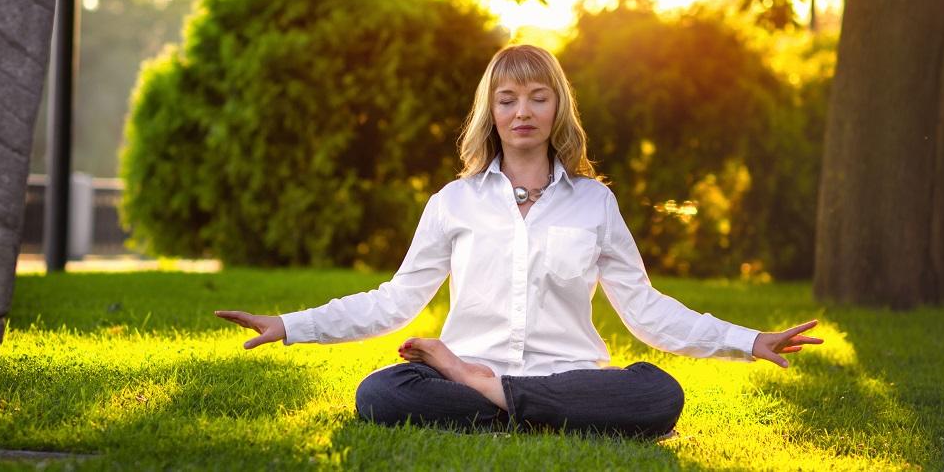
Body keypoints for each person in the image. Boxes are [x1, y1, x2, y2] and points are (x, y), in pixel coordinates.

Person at [216, 44, 822, 437]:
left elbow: (646, 311)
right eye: (507, 99)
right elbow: (396, 300)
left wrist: (748, 341)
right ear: (492, 112)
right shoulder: (454, 202)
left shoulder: (594, 203)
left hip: (568, 375)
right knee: (381, 392)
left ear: (558, 108)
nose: (522, 111)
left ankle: (495, 398)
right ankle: (506, 397)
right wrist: (291, 324)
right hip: (463, 371)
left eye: (538, 96)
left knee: (658, 393)